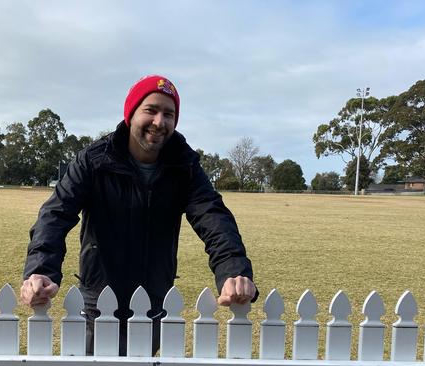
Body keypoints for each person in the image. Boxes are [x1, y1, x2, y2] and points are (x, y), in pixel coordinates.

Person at [22, 75, 257, 355]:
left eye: (168, 114)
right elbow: (56, 214)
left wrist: (233, 272)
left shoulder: (184, 165)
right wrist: (41, 271)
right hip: (99, 295)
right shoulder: (94, 160)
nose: (159, 122)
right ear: (131, 114)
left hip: (155, 296)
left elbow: (213, 217)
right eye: (151, 110)